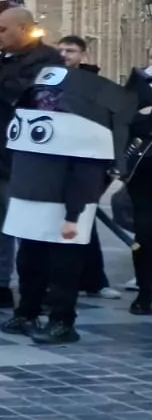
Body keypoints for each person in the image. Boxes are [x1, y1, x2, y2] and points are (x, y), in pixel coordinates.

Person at [0, 65, 130, 343]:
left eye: (51, 96)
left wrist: (73, 216)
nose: (45, 101)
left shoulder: (86, 130)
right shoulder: (30, 122)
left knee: (63, 269)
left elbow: (85, 177)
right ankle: (27, 312)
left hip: (65, 209)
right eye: (42, 95)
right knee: (29, 264)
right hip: (30, 205)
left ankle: (62, 321)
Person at [0, 8, 65, 311]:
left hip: (21, 162)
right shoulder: (4, 61)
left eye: (2, 29)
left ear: (25, 28)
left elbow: (28, 98)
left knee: (30, 232)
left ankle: (39, 290)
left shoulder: (48, 60)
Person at [55, 34, 123, 300]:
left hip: (87, 160)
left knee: (85, 218)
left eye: (70, 51)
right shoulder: (48, 80)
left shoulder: (94, 86)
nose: (64, 55)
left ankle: (95, 281)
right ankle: (66, 281)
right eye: (60, 50)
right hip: (55, 161)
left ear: (82, 54)